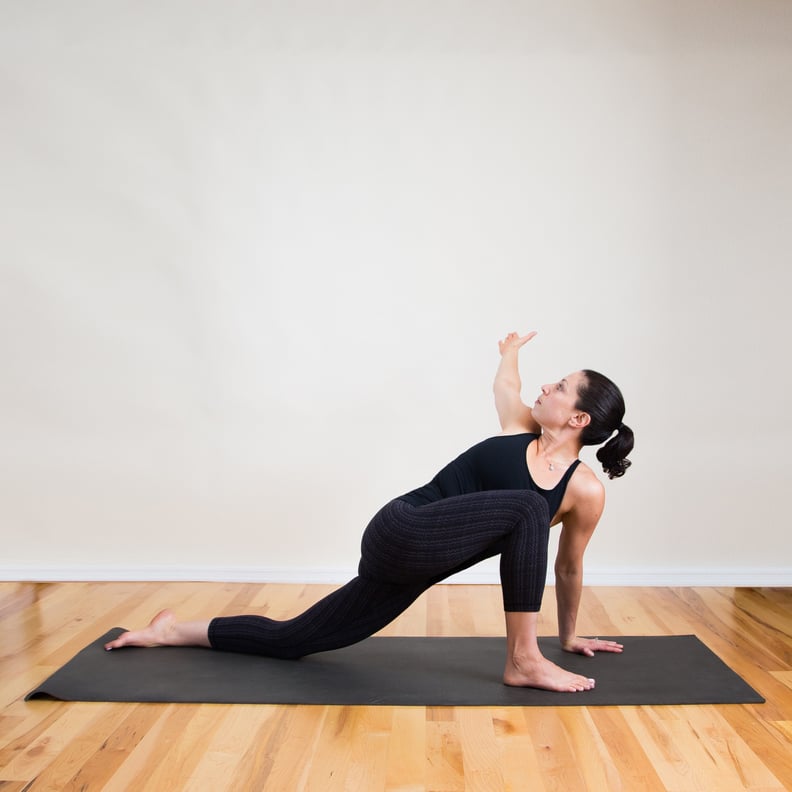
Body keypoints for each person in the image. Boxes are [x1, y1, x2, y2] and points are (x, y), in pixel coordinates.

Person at [105, 331, 634, 693]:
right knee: (525, 507)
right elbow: (507, 386)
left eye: (560, 387)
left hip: (412, 569)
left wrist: (568, 635)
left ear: (580, 417)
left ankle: (171, 631)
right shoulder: (519, 427)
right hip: (400, 528)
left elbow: (566, 565)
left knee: (296, 641)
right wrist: (511, 349)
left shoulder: (582, 490)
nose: (547, 387)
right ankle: (522, 659)